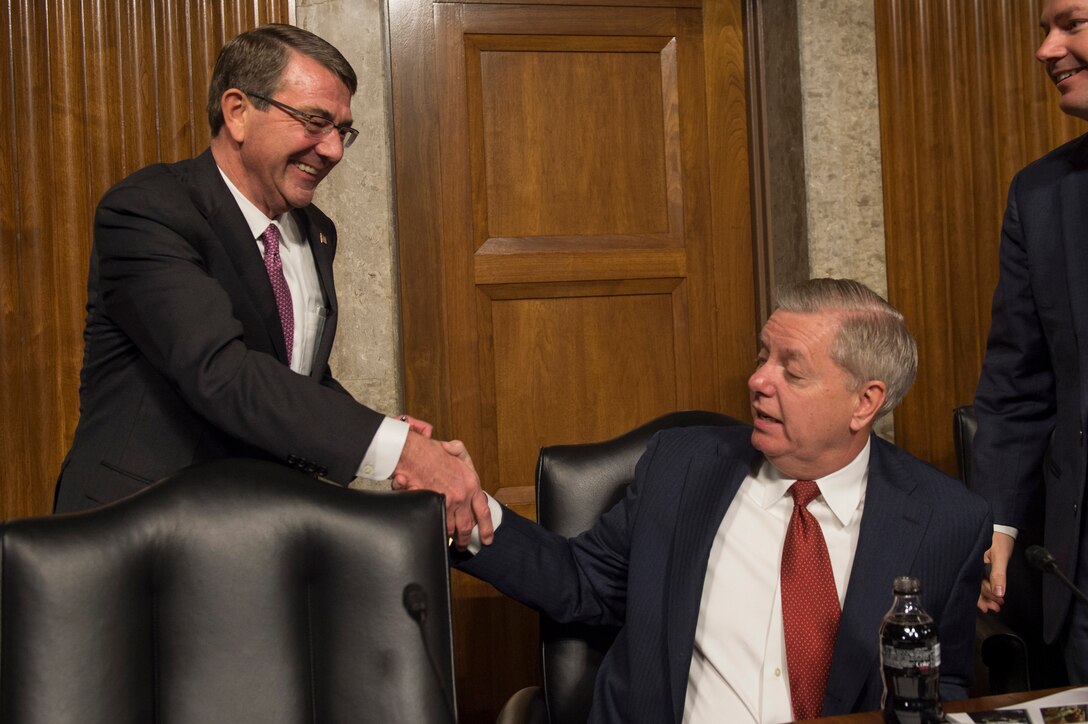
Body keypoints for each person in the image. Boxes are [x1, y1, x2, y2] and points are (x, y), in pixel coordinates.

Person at [450, 278, 991, 723]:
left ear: (864, 402)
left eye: (791, 370)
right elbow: (582, 581)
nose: (757, 380)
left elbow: (943, 682)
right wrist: (472, 512)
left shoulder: (947, 521)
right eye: (763, 356)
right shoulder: (681, 467)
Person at [53, 24, 492, 547]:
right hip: (136, 534)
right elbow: (221, 371)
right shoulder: (150, 211)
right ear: (237, 111)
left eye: (342, 129)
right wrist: (395, 448)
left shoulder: (316, 231)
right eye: (314, 121)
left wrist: (385, 435)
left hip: (258, 533)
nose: (332, 150)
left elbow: (294, 376)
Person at [973, 0, 1088, 683]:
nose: (1046, 50)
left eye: (1070, 24)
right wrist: (999, 524)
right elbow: (1018, 383)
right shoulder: (1041, 195)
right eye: (1043, 30)